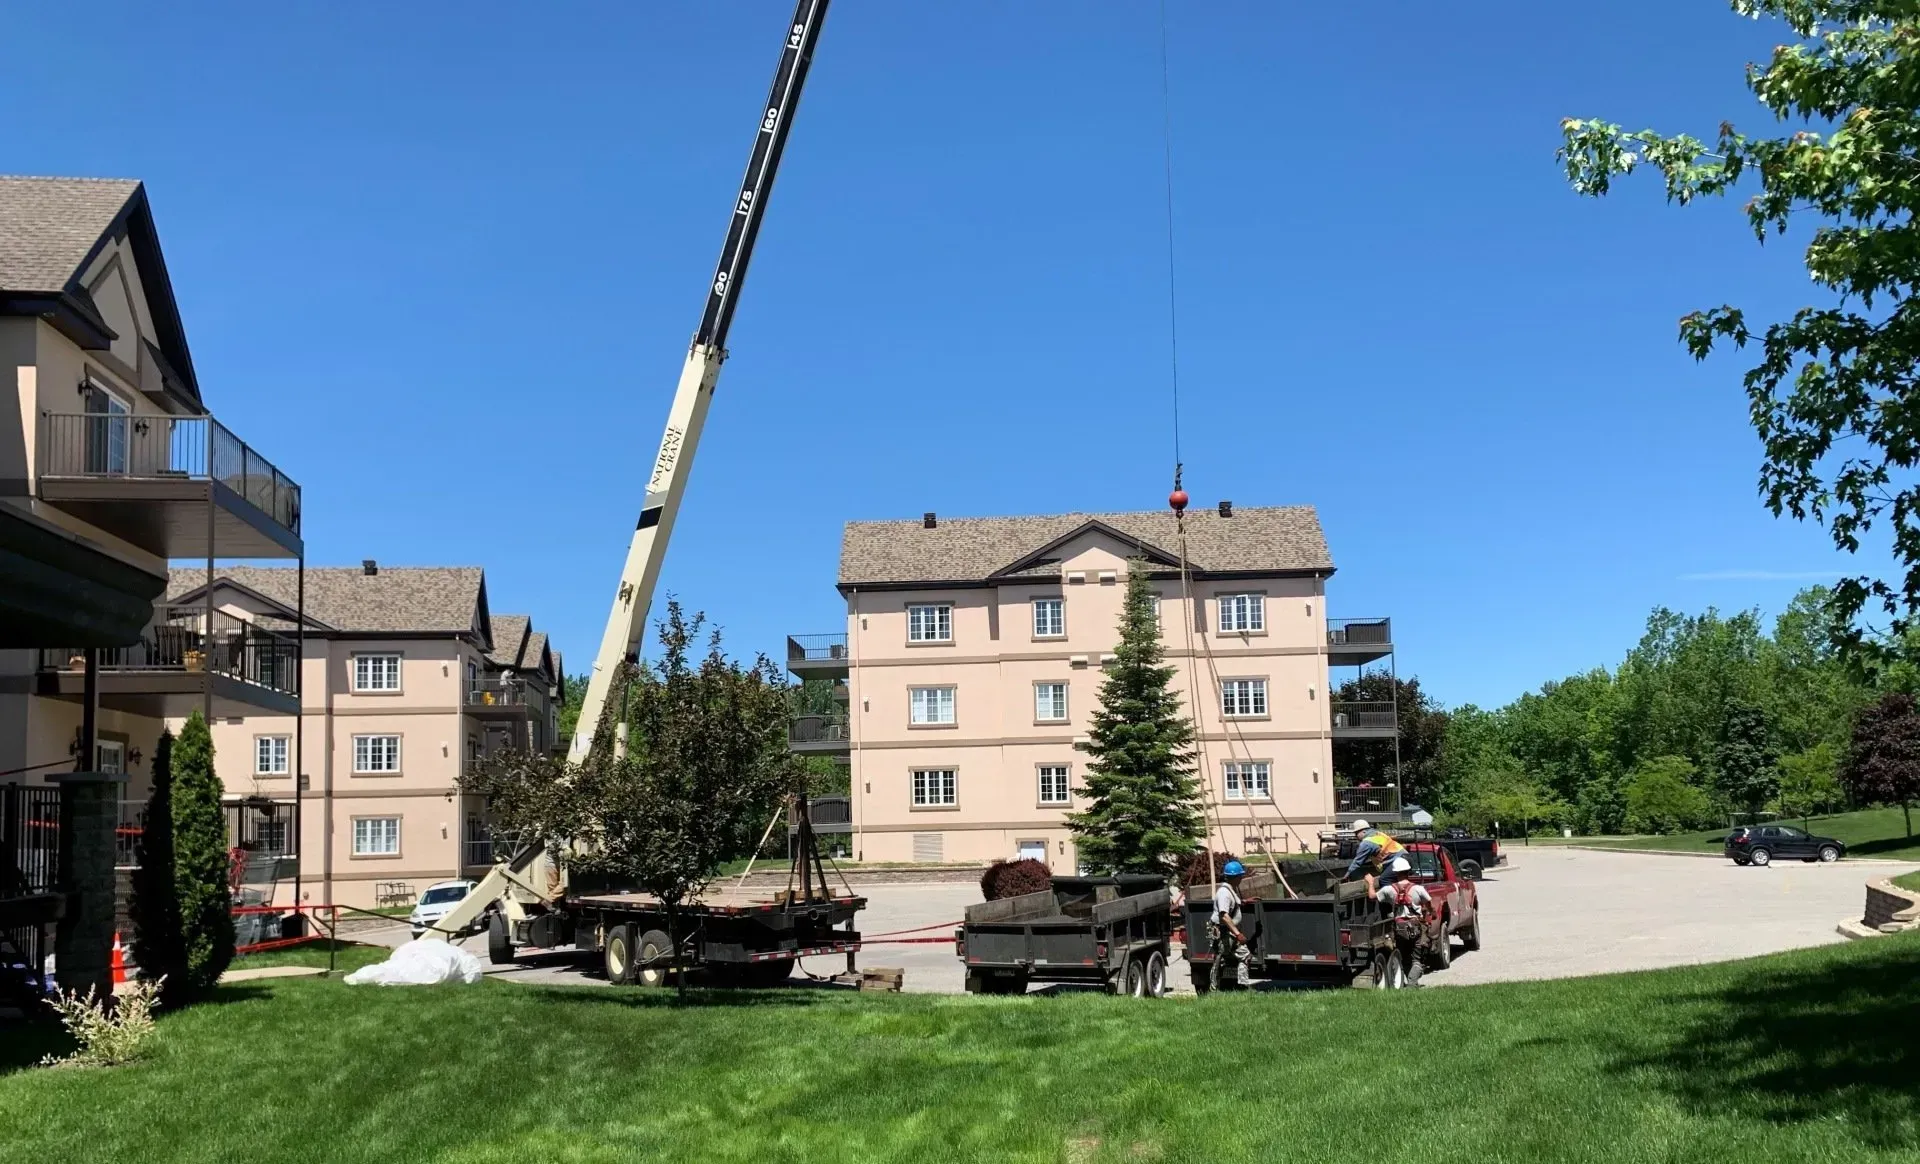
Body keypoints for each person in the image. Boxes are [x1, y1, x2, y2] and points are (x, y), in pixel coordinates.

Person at [1374, 856, 1433, 988]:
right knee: (1417, 957)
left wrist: (1370, 883)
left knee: (1404, 956)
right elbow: (1429, 903)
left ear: (1395, 873)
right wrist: (1431, 913)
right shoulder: (1418, 889)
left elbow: (1372, 896)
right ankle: (1412, 983)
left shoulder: (1389, 890)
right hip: (1416, 925)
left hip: (1399, 927)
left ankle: (1410, 981)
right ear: (1408, 872)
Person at [1208, 860, 1252, 991]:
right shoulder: (1224, 893)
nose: (1241, 878)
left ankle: (1237, 986)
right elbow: (1224, 915)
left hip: (1227, 932)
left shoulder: (1229, 890)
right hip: (1223, 932)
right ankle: (1217, 988)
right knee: (1222, 960)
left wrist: (1243, 902)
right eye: (1240, 876)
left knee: (1225, 959)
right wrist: (1238, 934)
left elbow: (1231, 907)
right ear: (1236, 877)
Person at [1342, 819, 1406, 897]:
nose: (1356, 836)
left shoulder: (1366, 843)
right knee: (1393, 880)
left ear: (1364, 831)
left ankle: (1390, 902)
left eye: (1356, 833)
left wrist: (1347, 875)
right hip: (1405, 857)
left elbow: (1357, 862)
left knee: (1384, 880)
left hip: (1399, 861)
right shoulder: (1378, 833)